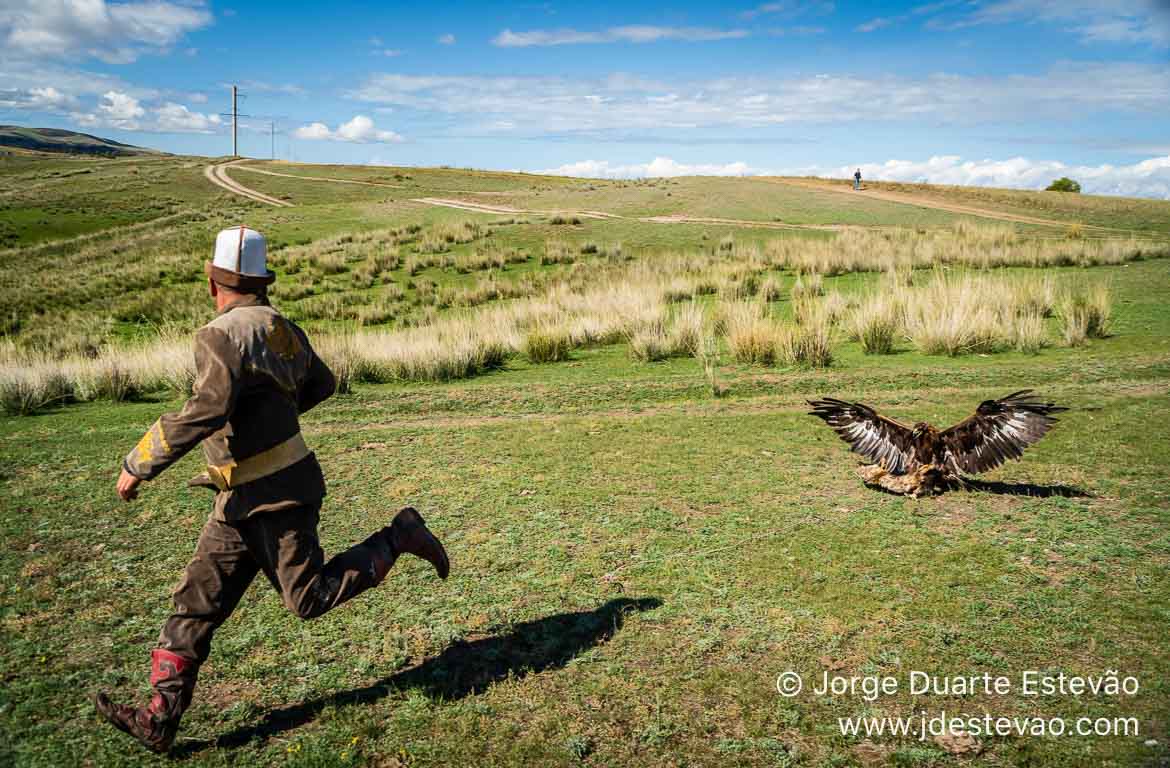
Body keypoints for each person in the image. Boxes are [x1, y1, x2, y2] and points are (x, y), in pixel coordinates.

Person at [94, 226, 450, 753]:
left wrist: (141, 460)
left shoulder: (218, 334)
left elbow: (208, 408)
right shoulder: (284, 328)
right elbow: (323, 384)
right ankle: (158, 720)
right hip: (242, 497)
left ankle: (399, 536)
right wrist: (273, 422)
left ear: (213, 281)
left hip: (278, 498)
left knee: (308, 599)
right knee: (196, 603)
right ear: (262, 282)